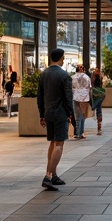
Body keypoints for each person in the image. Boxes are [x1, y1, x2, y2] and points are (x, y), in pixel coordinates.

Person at [37, 47, 75, 190]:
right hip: (60, 113)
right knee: (59, 144)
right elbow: (68, 97)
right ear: (60, 58)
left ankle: (53, 174)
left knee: (53, 143)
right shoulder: (64, 75)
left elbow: (40, 97)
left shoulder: (43, 74)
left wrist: (41, 114)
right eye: (63, 57)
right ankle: (48, 176)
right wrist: (70, 114)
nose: (64, 59)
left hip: (48, 113)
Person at [72, 64, 91, 140]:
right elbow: (89, 87)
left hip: (75, 97)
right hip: (85, 98)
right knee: (83, 115)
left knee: (77, 116)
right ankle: (81, 132)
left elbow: (71, 87)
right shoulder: (86, 77)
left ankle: (77, 133)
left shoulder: (73, 77)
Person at [89, 68, 106, 135]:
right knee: (99, 110)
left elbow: (92, 84)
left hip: (94, 92)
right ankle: (99, 129)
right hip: (100, 92)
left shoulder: (93, 76)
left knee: (97, 107)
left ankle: (93, 106)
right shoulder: (99, 76)